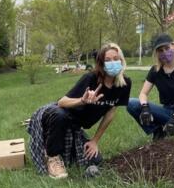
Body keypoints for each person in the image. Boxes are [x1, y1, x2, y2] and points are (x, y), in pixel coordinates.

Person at [30, 43, 131, 179]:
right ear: (101, 63)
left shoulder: (124, 84)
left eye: (116, 58)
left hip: (75, 126)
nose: (113, 62)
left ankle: (68, 154)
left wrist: (95, 140)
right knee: (61, 115)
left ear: (121, 60)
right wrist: (82, 101)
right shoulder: (91, 78)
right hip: (56, 114)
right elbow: (61, 102)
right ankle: (52, 157)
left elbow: (110, 112)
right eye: (108, 60)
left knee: (96, 160)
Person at [127, 33, 174, 140]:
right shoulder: (155, 71)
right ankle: (157, 131)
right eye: (160, 50)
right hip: (166, 111)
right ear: (157, 53)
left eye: (167, 48)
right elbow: (143, 93)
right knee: (131, 103)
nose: (165, 52)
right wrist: (145, 108)